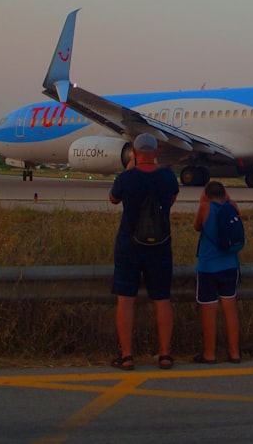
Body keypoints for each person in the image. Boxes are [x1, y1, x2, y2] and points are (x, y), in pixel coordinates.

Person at [109, 133, 180, 370]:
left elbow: (112, 199)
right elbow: (170, 200)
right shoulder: (167, 177)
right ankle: (165, 354)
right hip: (160, 245)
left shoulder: (126, 178)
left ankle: (127, 355)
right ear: (157, 153)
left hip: (129, 244)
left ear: (135, 153)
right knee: (162, 299)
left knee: (126, 300)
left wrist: (131, 168)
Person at [191, 180, 242, 364]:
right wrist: (226, 198)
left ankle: (210, 353)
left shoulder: (205, 208)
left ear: (206, 194)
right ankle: (234, 352)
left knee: (209, 310)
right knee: (230, 309)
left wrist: (202, 201)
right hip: (230, 265)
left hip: (208, 266)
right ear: (224, 193)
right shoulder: (232, 206)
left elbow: (197, 226)